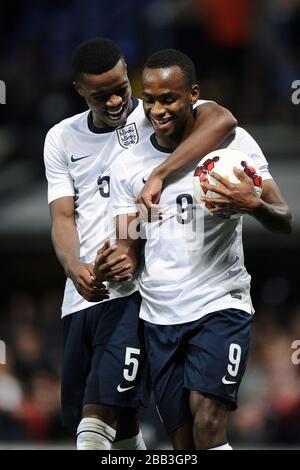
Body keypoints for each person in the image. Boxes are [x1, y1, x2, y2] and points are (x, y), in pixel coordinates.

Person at [43, 37, 237, 450]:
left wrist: (159, 174)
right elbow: (62, 217)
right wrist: (73, 267)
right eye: (101, 95)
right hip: (82, 295)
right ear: (79, 91)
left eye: (120, 88)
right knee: (124, 423)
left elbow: (221, 118)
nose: (115, 101)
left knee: (99, 418)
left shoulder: (156, 113)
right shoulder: (60, 138)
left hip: (136, 294)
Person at [94, 48, 293, 450]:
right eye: (148, 99)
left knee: (208, 421)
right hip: (160, 316)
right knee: (184, 446)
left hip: (220, 304)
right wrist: (111, 264)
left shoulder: (232, 144)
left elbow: (284, 217)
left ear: (192, 95)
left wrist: (254, 205)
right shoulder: (127, 164)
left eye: (168, 98)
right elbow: (128, 249)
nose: (157, 109)